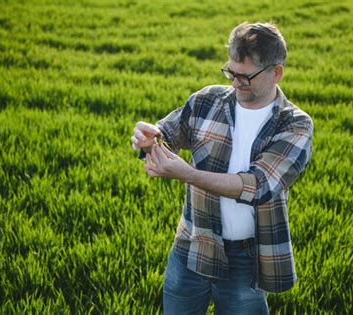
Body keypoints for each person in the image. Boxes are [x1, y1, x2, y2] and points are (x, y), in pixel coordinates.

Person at [131, 22, 313, 315]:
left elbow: (257, 185)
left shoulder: (295, 124)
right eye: (231, 72)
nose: (236, 83)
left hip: (246, 259)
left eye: (246, 76)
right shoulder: (207, 100)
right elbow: (165, 134)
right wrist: (145, 139)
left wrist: (187, 174)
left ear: (275, 72)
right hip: (191, 244)